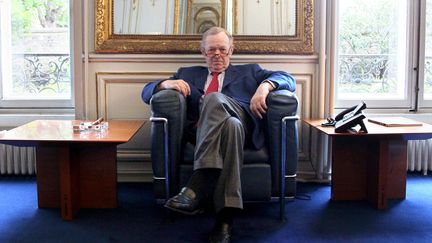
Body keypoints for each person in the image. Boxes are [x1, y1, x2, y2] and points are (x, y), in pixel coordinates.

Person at [141, 27, 295, 243]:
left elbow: (288, 79)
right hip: (208, 133)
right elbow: (146, 92)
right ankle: (225, 219)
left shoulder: (251, 71)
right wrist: (165, 84)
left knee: (214, 99)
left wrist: (264, 87)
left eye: (222, 49)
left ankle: (198, 183)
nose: (217, 55)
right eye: (211, 50)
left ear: (231, 50)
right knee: (230, 126)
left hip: (245, 122)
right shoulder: (187, 74)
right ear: (202, 51)